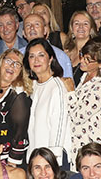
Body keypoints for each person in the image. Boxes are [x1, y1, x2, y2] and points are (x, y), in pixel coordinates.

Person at [25, 38, 74, 168]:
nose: (36, 60)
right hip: (37, 157)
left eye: (41, 55)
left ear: (50, 58)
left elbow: (59, 126)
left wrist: (52, 159)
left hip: (53, 159)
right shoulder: (33, 86)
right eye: (32, 56)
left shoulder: (57, 86)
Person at [68, 36, 101, 157]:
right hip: (78, 144)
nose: (82, 60)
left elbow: (77, 116)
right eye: (82, 55)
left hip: (92, 149)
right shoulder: (84, 76)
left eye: (88, 59)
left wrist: (70, 91)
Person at [22, 12, 73, 79]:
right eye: (28, 25)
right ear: (23, 33)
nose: (32, 28)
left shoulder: (60, 56)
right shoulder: (18, 55)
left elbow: (68, 82)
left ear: (45, 30)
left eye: (37, 24)